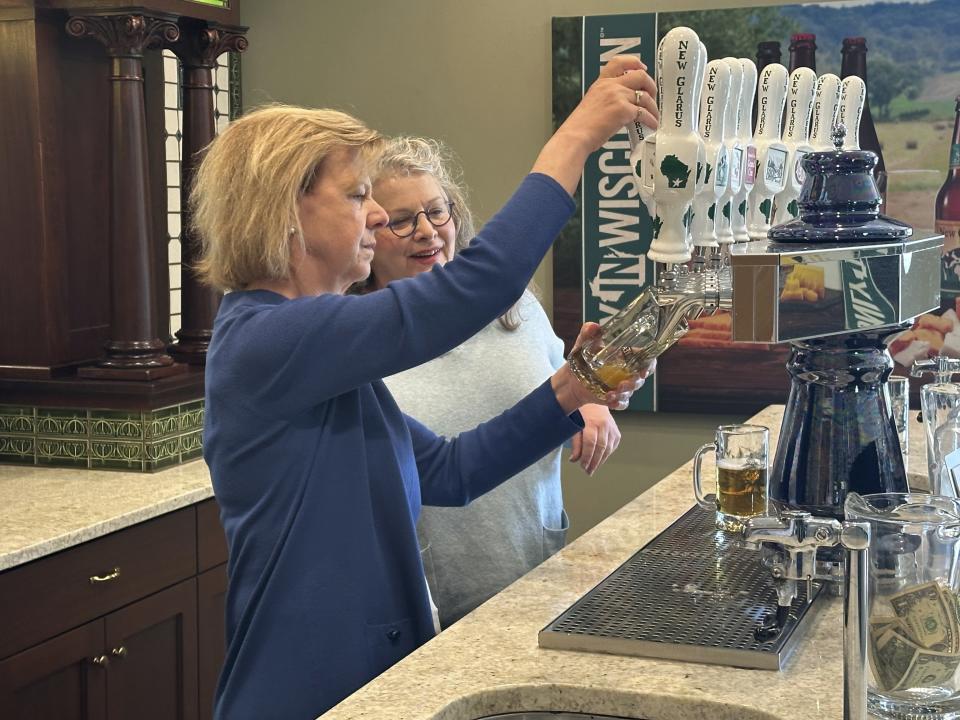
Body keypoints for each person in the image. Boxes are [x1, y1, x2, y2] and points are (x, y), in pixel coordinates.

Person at [194, 54, 658, 720]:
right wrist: (576, 138)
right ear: (285, 209)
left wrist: (573, 387)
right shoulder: (267, 342)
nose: (379, 217)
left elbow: (451, 469)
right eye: (359, 196)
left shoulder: (318, 363)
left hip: (376, 686)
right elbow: (472, 287)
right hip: (305, 694)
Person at [364, 136, 623, 628]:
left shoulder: (517, 309)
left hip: (535, 575)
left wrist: (590, 404)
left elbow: (559, 388)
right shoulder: (357, 344)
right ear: (367, 235)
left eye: (437, 212)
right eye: (401, 220)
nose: (426, 232)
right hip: (432, 609)